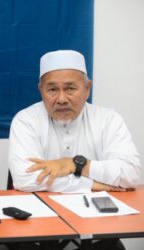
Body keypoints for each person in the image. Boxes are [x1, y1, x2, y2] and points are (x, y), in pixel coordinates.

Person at [8, 50, 142, 250]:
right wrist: (92, 183)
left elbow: (131, 174)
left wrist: (75, 164)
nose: (61, 99)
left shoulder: (108, 120)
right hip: (37, 236)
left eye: (70, 88)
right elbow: (25, 179)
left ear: (87, 88)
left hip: (99, 235)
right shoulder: (26, 120)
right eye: (52, 90)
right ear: (40, 90)